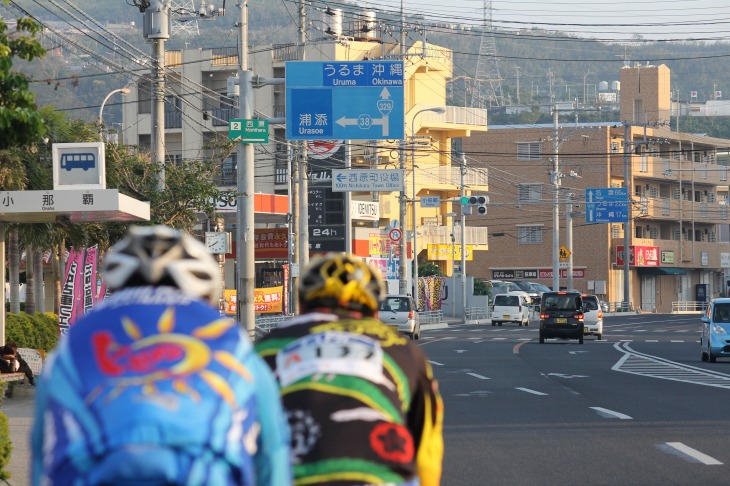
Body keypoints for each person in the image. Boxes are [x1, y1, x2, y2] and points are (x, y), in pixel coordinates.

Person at [32, 225, 292, 486]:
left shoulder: (78, 337)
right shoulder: (228, 338)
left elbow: (43, 448)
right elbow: (273, 447)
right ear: (204, 290)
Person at [255, 253, 444, 486]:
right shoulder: (402, 349)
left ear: (302, 305)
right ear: (374, 310)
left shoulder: (268, 347)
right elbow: (428, 446)